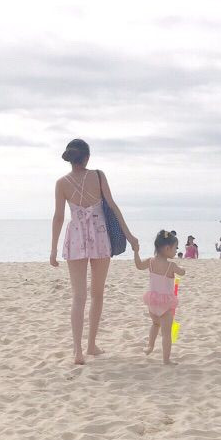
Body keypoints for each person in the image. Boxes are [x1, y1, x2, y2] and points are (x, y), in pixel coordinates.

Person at [50, 138, 138, 365]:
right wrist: (129, 235)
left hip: (76, 237)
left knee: (78, 296)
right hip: (100, 235)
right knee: (97, 293)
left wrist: (53, 249)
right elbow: (113, 206)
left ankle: (77, 351)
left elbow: (58, 217)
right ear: (87, 157)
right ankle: (91, 344)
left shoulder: (61, 183)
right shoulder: (98, 176)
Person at [133, 230, 185, 365]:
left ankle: (150, 346)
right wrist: (182, 268)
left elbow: (138, 265)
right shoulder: (171, 265)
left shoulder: (150, 261)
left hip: (152, 302)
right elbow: (182, 273)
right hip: (166, 305)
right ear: (167, 248)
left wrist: (136, 252)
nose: (176, 251)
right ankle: (166, 360)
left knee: (155, 324)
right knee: (166, 334)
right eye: (175, 248)